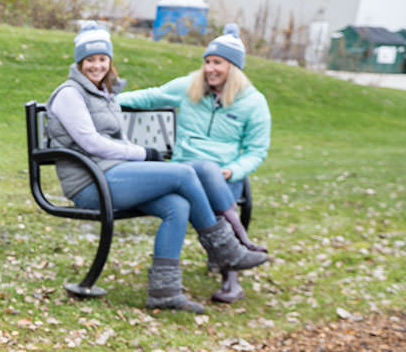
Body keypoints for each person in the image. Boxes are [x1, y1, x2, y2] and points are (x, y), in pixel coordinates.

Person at [45, 22, 268, 313]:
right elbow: (91, 143)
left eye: (102, 59)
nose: (96, 65)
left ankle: (164, 292)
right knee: (185, 172)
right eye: (89, 60)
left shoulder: (104, 93)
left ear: (109, 61)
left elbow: (117, 137)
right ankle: (224, 249)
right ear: (79, 62)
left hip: (113, 173)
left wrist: (138, 155)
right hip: (90, 183)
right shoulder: (70, 94)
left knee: (176, 205)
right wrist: (142, 153)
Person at [118, 24, 271, 302]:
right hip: (182, 173)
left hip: (223, 179)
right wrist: (103, 103)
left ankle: (231, 264)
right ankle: (238, 246)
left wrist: (234, 170)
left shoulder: (253, 103)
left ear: (234, 68)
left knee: (209, 169)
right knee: (200, 167)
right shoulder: (189, 87)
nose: (210, 68)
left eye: (218, 63)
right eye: (208, 61)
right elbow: (150, 96)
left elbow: (256, 151)